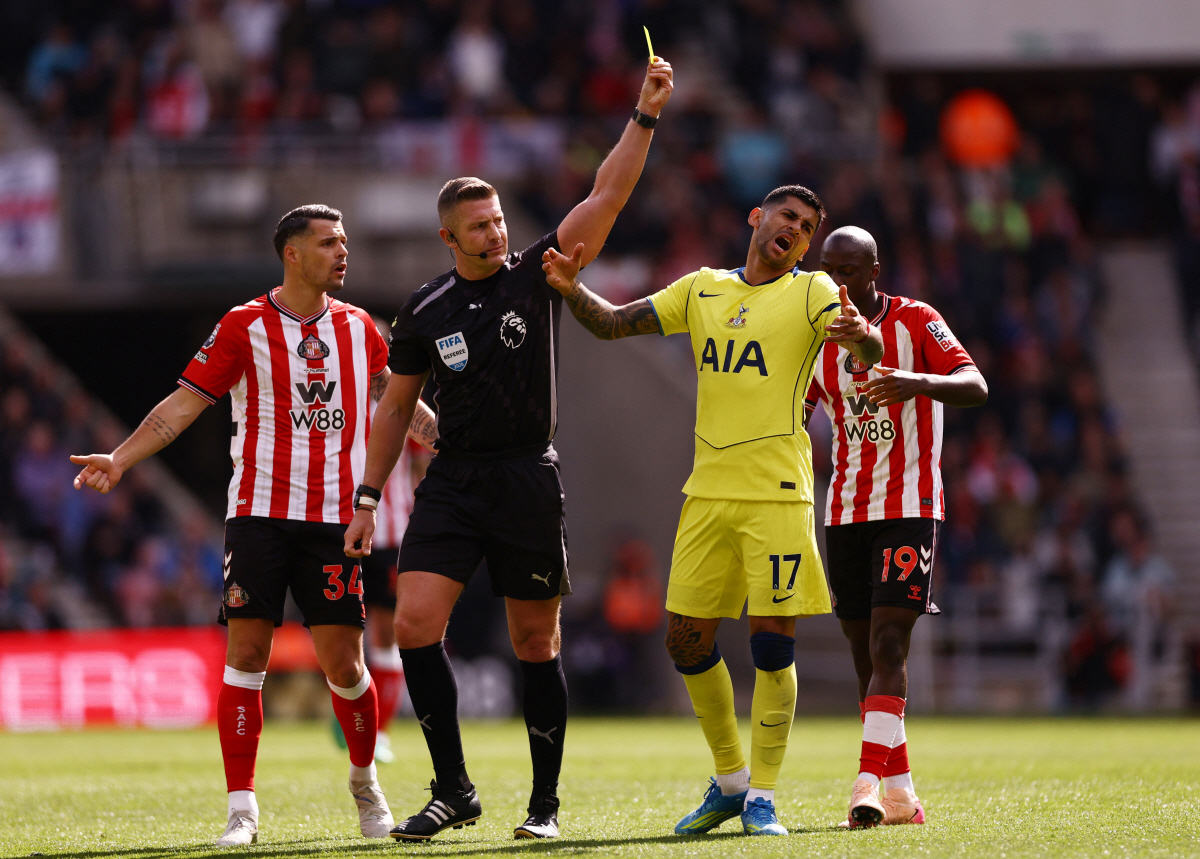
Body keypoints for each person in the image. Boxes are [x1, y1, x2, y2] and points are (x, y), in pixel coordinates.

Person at [342, 59, 675, 842]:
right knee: (415, 624)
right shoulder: (423, 309)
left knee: (536, 640)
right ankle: (453, 786)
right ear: (448, 236)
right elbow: (394, 409)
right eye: (481, 225)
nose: (497, 232)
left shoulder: (539, 275)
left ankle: (544, 805)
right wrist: (366, 498)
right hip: (454, 477)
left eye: (498, 220)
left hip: (527, 474)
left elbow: (608, 194)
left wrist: (645, 116)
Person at [69, 205, 438, 847]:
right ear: (292, 254)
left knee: (344, 665)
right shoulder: (244, 325)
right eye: (328, 244)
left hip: (335, 519)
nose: (342, 253)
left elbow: (401, 404)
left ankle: (363, 783)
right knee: (245, 657)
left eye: (344, 242)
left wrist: (457, 441)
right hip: (259, 515)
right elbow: (184, 403)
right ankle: (242, 809)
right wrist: (120, 458)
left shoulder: (362, 330)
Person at [540, 185, 884, 836]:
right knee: (685, 640)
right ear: (757, 217)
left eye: (807, 227)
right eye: (788, 216)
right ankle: (730, 780)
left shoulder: (812, 294)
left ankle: (765, 796)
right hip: (706, 493)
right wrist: (567, 286)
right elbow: (613, 322)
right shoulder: (700, 289)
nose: (796, 230)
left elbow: (863, 349)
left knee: (770, 647)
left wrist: (860, 336)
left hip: (777, 493)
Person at [803, 226, 987, 828]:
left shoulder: (916, 321)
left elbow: (975, 385)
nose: (839, 285)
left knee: (888, 644)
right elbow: (794, 411)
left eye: (850, 272)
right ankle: (902, 791)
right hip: (845, 512)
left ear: (874, 270)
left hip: (909, 506)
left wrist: (917, 381)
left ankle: (866, 784)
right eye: (829, 272)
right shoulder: (814, 337)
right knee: (863, 654)